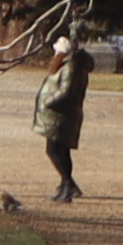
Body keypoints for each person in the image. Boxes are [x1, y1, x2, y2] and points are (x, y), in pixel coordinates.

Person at [35, 39, 89, 202]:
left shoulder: (70, 67)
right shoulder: (67, 65)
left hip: (61, 116)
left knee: (54, 150)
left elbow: (67, 91)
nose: (55, 54)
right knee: (60, 150)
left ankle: (68, 183)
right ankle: (67, 184)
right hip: (58, 116)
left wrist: (48, 101)